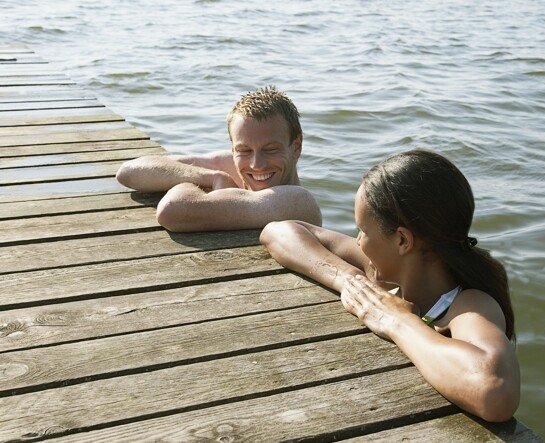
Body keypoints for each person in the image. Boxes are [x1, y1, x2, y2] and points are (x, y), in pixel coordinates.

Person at [260, 149, 520, 422]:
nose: (358, 241)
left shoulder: (469, 305)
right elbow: (279, 231)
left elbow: (496, 392)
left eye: (363, 230)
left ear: (402, 241)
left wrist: (395, 320)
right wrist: (353, 282)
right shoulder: (378, 272)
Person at [116, 86, 322, 231]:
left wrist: (197, 182)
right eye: (244, 150)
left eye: (270, 149)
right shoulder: (230, 168)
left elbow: (172, 210)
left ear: (296, 147)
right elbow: (129, 172)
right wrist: (211, 177)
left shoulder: (297, 201)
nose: (256, 164)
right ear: (233, 149)